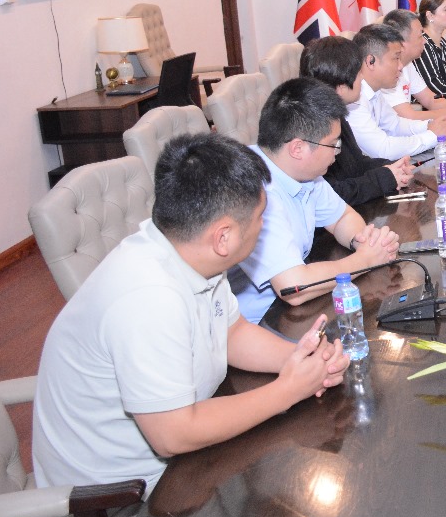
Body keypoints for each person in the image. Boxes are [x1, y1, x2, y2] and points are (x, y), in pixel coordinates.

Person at [32, 133, 349, 494]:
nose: (265, 225)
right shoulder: (148, 299)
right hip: (124, 497)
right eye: (261, 216)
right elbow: (174, 434)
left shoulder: (187, 248)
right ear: (223, 237)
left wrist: (303, 360)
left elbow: (232, 333)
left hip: (186, 456)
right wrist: (288, 390)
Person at [230, 77, 401, 325]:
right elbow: (294, 287)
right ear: (298, 148)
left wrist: (365, 241)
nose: (337, 152)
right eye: (333, 144)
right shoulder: (253, 191)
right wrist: (365, 260)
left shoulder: (303, 172)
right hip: (259, 322)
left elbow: (342, 217)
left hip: (300, 308)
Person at [302, 35, 414, 206]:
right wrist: (384, 178)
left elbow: (356, 164)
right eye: (358, 73)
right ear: (341, 86)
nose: (362, 78)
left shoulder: (334, 113)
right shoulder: (311, 127)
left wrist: (392, 167)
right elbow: (333, 194)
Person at [346, 23, 446, 160]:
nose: (401, 66)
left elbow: (395, 125)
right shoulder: (353, 99)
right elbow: (383, 149)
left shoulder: (375, 90)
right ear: (370, 61)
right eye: (396, 58)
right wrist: (432, 136)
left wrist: (430, 125)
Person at [382, 8, 446, 122]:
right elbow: (409, 117)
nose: (424, 41)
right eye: (420, 36)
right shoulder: (386, 70)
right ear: (402, 43)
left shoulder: (407, 64)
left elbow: (430, 100)